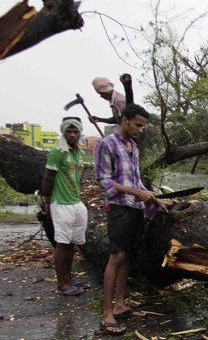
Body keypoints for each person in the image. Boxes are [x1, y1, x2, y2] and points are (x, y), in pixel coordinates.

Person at [94, 103, 174, 336]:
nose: (141, 130)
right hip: (119, 208)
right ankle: (107, 313)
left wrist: (156, 199)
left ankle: (120, 305)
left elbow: (137, 182)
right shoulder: (106, 144)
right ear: (124, 120)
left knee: (127, 255)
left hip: (136, 208)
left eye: (143, 126)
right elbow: (104, 181)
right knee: (117, 256)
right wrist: (136, 193)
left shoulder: (133, 147)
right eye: (138, 125)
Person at [41, 117, 90, 296]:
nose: (72, 135)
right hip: (61, 204)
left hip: (76, 203)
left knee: (72, 243)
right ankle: (62, 284)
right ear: (63, 132)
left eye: (75, 131)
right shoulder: (57, 152)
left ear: (79, 133)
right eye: (68, 131)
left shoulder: (80, 153)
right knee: (62, 244)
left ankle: (69, 279)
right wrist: (46, 200)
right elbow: (48, 178)